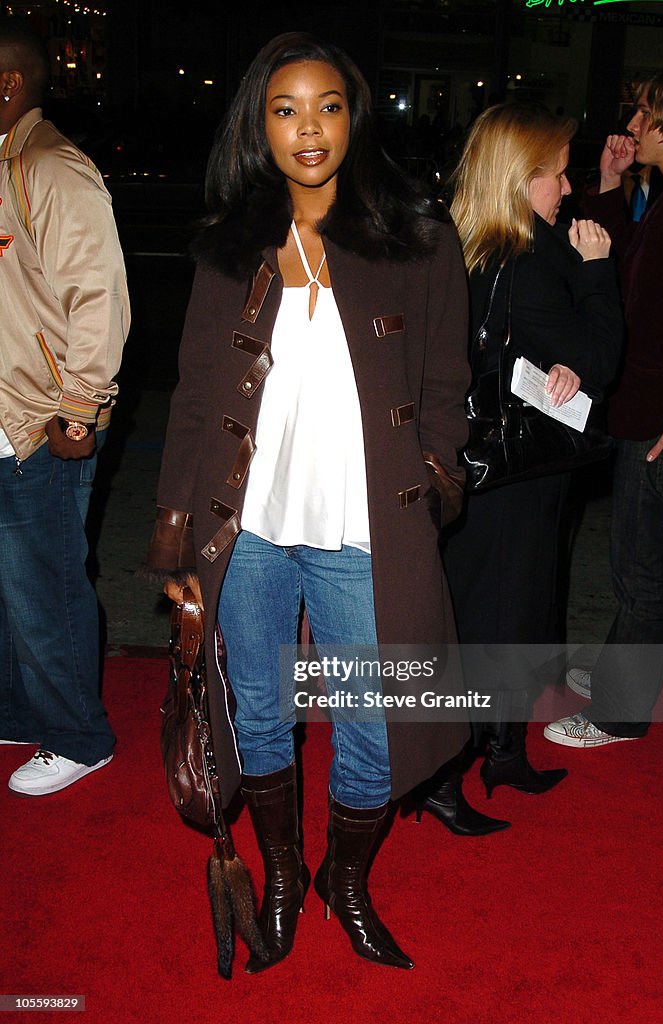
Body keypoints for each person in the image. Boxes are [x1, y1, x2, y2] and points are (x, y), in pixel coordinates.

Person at [145, 32, 470, 973]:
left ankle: (347, 878)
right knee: (258, 709)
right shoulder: (229, 249)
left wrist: (437, 473)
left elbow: (446, 377)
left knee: (375, 723)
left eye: (326, 105)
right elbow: (198, 402)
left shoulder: (418, 237)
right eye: (284, 110)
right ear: (259, 125)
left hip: (365, 527)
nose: (308, 128)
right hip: (245, 529)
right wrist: (174, 551)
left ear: (354, 115)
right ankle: (284, 876)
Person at [417, 102, 623, 832]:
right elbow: (600, 355)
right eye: (558, 173)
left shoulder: (469, 240)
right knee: (491, 624)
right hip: (510, 478)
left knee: (501, 618)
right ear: (520, 175)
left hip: (497, 469)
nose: (566, 189)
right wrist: (599, 274)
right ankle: (441, 778)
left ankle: (501, 751)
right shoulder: (524, 262)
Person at [0, 21, 129, 795]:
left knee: (45, 585)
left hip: (44, 421)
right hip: (9, 411)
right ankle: (21, 709)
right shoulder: (7, 165)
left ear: (8, 86)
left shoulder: (51, 167)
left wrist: (78, 406)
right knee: (11, 585)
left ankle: (80, 735)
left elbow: (100, 297)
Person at [546, 67, 663, 748]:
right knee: (642, 559)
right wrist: (609, 184)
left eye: (642, 114)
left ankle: (620, 712)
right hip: (647, 407)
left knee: (645, 565)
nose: (630, 125)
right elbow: (621, 265)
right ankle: (618, 676)